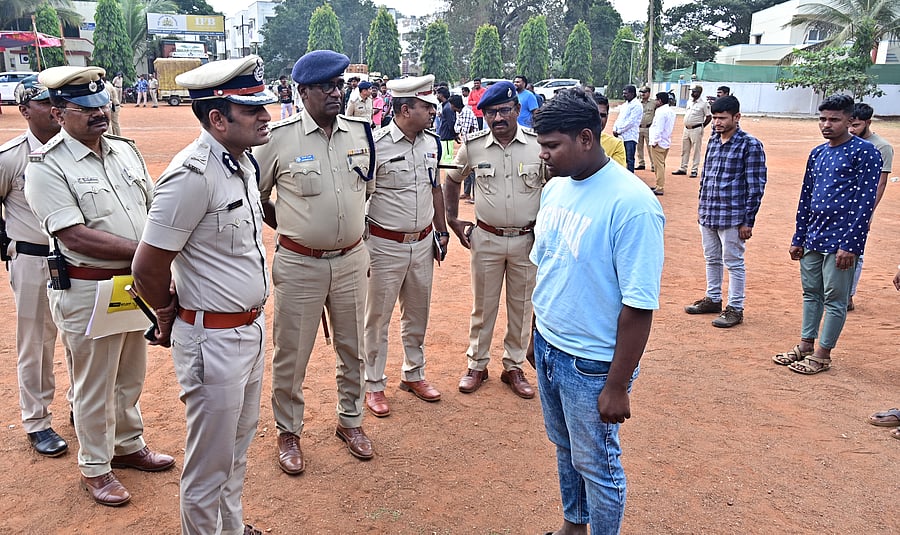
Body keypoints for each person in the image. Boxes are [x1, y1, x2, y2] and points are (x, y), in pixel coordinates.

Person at [131, 55, 276, 535]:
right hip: (213, 341)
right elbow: (148, 265)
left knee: (235, 451)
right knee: (208, 463)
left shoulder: (242, 162)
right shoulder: (190, 174)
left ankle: (229, 528)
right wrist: (169, 312)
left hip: (248, 332)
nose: (265, 116)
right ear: (218, 118)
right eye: (251, 108)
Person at [24, 65, 175, 507]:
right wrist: (150, 253)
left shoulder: (125, 152)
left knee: (130, 373)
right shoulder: (47, 167)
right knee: (93, 383)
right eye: (84, 109)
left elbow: (153, 207)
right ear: (57, 113)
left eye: (101, 105)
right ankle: (95, 467)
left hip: (130, 285)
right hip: (88, 289)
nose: (98, 114)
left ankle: (128, 445)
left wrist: (152, 259)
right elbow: (74, 235)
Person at [530, 88, 665, 535]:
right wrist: (537, 335)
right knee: (565, 448)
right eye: (541, 144)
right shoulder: (555, 191)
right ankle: (574, 526)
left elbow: (638, 305)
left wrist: (618, 385)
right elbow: (546, 268)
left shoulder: (632, 205)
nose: (543, 154)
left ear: (586, 138)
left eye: (552, 145)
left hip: (592, 364)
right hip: (550, 346)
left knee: (599, 467)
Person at [254, 50, 376, 465]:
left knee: (353, 346)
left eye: (338, 85)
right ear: (302, 92)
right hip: (299, 263)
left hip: (351, 261)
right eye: (325, 86)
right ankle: (288, 432)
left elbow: (367, 193)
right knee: (291, 351)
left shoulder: (361, 134)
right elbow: (258, 198)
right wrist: (296, 229)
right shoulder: (277, 139)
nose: (335, 93)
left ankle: (351, 420)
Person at [443, 81, 544, 399]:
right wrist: (453, 220)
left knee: (522, 306)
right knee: (482, 307)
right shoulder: (472, 146)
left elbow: (555, 186)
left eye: (504, 111)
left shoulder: (536, 145)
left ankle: (513, 366)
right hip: (485, 238)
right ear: (483, 115)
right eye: (490, 113)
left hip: (527, 241)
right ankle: (477, 364)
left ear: (517, 110)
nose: (498, 118)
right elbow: (452, 179)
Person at [772, 95, 881, 375]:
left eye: (834, 119)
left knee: (835, 298)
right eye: (822, 119)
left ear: (849, 120)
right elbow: (806, 196)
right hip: (813, 237)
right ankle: (806, 345)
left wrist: (851, 244)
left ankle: (823, 354)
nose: (826, 125)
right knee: (811, 294)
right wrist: (799, 236)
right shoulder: (818, 153)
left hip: (842, 240)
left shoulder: (865, 153)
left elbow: (865, 202)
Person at [364, 74, 450, 416]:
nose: (432, 112)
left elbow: (435, 189)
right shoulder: (376, 144)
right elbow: (362, 197)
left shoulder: (432, 143)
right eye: (426, 107)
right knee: (378, 318)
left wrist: (441, 232)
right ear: (404, 109)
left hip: (422, 243)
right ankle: (373, 384)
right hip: (384, 245)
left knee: (417, 314)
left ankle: (414, 374)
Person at [1, 75, 67, 458]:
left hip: (75, 258)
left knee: (82, 337)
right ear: (25, 110)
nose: (54, 108)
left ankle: (81, 406)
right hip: (31, 259)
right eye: (44, 102)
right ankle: (37, 421)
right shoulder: (11, 157)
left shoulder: (74, 150)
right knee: (36, 342)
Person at [683, 96, 767, 327]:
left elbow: (756, 185)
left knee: (734, 261)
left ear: (736, 117)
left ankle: (735, 308)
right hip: (709, 213)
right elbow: (706, 177)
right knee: (711, 258)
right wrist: (702, 208)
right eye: (716, 118)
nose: (717, 122)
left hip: (733, 216)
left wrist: (748, 221)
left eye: (722, 118)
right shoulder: (713, 139)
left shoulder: (750, 145)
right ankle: (713, 298)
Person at [846, 103, 893, 311]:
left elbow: (880, 183)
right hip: (840, 205)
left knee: (856, 252)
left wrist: (868, 213)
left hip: (862, 206)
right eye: (849, 125)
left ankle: (848, 295)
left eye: (856, 125)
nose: (851, 130)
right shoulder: (846, 142)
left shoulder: (881, 147)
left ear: (868, 122)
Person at [673, 85, 711, 177]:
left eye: (694, 92)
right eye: (692, 91)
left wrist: (702, 126)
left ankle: (694, 169)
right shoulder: (689, 101)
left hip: (696, 129)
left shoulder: (704, 104)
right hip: (686, 128)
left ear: (699, 93)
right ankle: (683, 168)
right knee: (685, 149)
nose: (692, 93)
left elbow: (709, 117)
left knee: (696, 150)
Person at [647, 91, 676, 196]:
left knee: (659, 166)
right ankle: (658, 184)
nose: (655, 101)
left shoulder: (661, 112)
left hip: (658, 142)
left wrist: (655, 141)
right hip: (665, 141)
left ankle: (660, 187)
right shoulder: (670, 111)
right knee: (661, 164)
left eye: (656, 99)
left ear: (660, 101)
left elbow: (659, 128)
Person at [611, 84, 642, 172]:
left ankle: (630, 177)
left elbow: (631, 122)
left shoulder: (637, 105)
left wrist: (619, 131)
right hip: (620, 137)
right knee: (620, 157)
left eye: (626, 93)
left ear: (632, 94)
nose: (624, 95)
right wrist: (614, 128)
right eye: (623, 93)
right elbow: (619, 118)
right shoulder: (625, 105)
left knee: (629, 159)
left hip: (630, 137)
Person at [593, 92, 626, 167]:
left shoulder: (616, 145)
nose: (599, 119)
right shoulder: (573, 141)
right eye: (595, 114)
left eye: (603, 115)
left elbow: (618, 175)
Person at [635, 86, 655, 171]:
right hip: (638, 127)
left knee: (650, 147)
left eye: (644, 92)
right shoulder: (637, 103)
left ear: (649, 93)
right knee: (639, 147)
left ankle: (653, 164)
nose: (642, 94)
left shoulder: (653, 103)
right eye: (641, 92)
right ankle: (641, 163)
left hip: (648, 127)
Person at [437, 86, 456, 160]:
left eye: (437, 94)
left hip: (447, 137)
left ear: (441, 95)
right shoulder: (446, 106)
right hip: (445, 136)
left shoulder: (447, 107)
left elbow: (451, 123)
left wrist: (453, 135)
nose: (437, 96)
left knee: (448, 159)